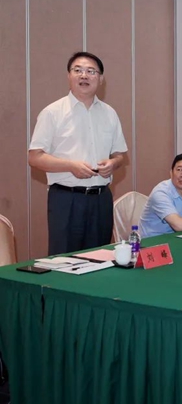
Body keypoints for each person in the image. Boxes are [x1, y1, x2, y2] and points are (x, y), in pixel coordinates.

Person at [28, 52, 128, 255]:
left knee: (100, 257)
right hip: (66, 199)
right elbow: (34, 156)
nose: (84, 75)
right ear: (69, 76)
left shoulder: (109, 113)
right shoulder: (52, 112)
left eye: (91, 71)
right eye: (78, 70)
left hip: (101, 199)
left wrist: (113, 163)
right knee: (64, 259)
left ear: (100, 78)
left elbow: (120, 155)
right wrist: (70, 166)